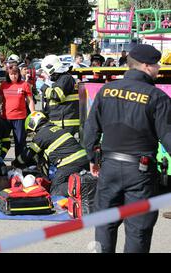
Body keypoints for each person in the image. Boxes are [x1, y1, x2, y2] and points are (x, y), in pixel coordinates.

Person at [84, 44, 171, 253]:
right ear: (145, 66)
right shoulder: (157, 97)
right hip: (140, 172)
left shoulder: (106, 91)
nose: (158, 68)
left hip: (109, 167)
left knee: (105, 224)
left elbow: (91, 128)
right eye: (156, 64)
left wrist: (92, 158)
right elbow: (168, 136)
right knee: (138, 229)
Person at [20, 111, 89, 196]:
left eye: (31, 131)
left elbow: (27, 155)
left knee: (55, 190)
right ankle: (87, 184)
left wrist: (15, 164)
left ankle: (85, 186)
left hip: (69, 163)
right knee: (68, 181)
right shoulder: (56, 128)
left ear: (33, 124)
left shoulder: (41, 134)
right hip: (84, 159)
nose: (34, 134)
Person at [0, 64, 35, 167]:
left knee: (20, 143)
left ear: (19, 74)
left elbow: (30, 101)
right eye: (11, 74)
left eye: (15, 74)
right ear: (8, 75)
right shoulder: (4, 85)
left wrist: (33, 114)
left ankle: (19, 164)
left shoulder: (24, 85)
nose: (13, 76)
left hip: (20, 118)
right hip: (5, 118)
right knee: (3, 142)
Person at [40, 54, 80, 136]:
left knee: (63, 147)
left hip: (66, 122)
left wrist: (44, 87)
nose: (45, 74)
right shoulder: (59, 80)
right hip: (59, 120)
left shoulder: (65, 78)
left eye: (45, 71)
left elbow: (57, 96)